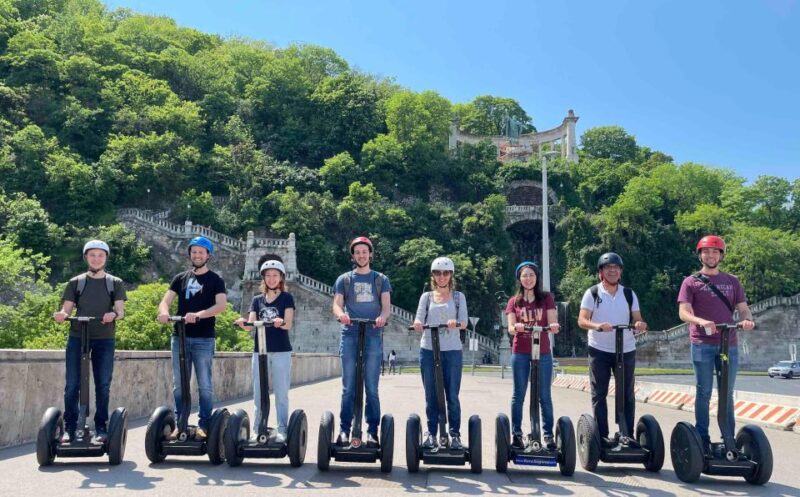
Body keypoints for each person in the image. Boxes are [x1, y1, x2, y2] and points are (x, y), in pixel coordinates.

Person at [677, 235, 755, 454]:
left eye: (715, 251)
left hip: (728, 343)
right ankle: (701, 437)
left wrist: (747, 319)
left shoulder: (732, 281)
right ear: (700, 255)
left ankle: (728, 438)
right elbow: (683, 312)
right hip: (702, 343)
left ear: (721, 255)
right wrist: (701, 321)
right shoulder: (690, 282)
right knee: (704, 392)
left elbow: (742, 307)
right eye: (706, 251)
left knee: (727, 393)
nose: (710, 255)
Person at [53, 240, 127, 443]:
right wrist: (61, 314)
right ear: (86, 257)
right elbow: (66, 309)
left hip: (104, 339)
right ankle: (70, 427)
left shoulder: (115, 283)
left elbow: (120, 312)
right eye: (92, 255)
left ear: (106, 258)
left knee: (103, 384)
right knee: (72, 384)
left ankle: (101, 427)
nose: (96, 259)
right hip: (78, 337)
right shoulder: (76, 282)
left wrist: (113, 315)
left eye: (100, 255)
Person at [157, 236, 227, 440]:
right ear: (190, 254)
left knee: (204, 384)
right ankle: (180, 424)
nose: (197, 255)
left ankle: (204, 424)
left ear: (208, 255)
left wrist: (199, 315)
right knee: (179, 384)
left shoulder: (216, 280)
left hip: (204, 338)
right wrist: (163, 312)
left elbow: (221, 306)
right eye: (194, 252)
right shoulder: (180, 278)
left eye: (201, 252)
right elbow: (165, 301)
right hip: (179, 337)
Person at [577, 252, 647, 446]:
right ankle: (601, 435)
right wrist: (597, 325)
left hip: (625, 348)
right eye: (608, 268)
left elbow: (637, 317)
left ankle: (626, 433)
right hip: (599, 349)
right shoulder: (592, 293)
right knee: (599, 393)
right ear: (601, 272)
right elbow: (582, 320)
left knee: (626, 393)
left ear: (621, 272)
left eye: (616, 268)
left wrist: (640, 324)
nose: (612, 271)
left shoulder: (628, 293)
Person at [332, 236, 391, 447]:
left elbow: (386, 306)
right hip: (350, 332)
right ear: (353, 255)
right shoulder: (345, 280)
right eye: (357, 252)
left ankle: (372, 431)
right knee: (348, 387)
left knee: (372, 387)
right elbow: (337, 305)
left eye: (364, 251)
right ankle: (344, 430)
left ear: (370, 254)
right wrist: (341, 315)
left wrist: (383, 317)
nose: (361, 255)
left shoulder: (380, 279)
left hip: (373, 334)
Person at [235, 260, 295, 443]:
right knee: (259, 392)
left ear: (281, 278)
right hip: (259, 352)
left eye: (275, 275)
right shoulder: (256, 300)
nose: (271, 279)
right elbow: (250, 324)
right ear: (263, 278)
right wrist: (242, 322)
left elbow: (288, 324)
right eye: (268, 275)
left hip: (281, 351)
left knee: (281, 392)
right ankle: (257, 428)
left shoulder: (286, 298)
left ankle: (282, 428)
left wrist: (280, 322)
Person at [413, 257, 468, 449]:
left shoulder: (458, 297)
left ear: (451, 275)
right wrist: (419, 324)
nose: (442, 276)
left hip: (452, 351)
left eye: (445, 273)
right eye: (437, 273)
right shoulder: (426, 297)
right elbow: (418, 318)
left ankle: (454, 435)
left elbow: (464, 321)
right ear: (433, 276)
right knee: (431, 395)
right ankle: (431, 434)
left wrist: (456, 323)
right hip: (428, 350)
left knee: (452, 394)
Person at [505, 261, 560, 448]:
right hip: (520, 351)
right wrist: (516, 327)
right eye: (524, 275)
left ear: (537, 278)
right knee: (518, 394)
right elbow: (511, 328)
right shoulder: (514, 302)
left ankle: (548, 435)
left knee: (544, 395)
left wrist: (553, 326)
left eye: (531, 275)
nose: (528, 279)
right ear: (519, 279)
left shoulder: (546, 298)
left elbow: (553, 322)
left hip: (543, 352)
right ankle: (517, 434)